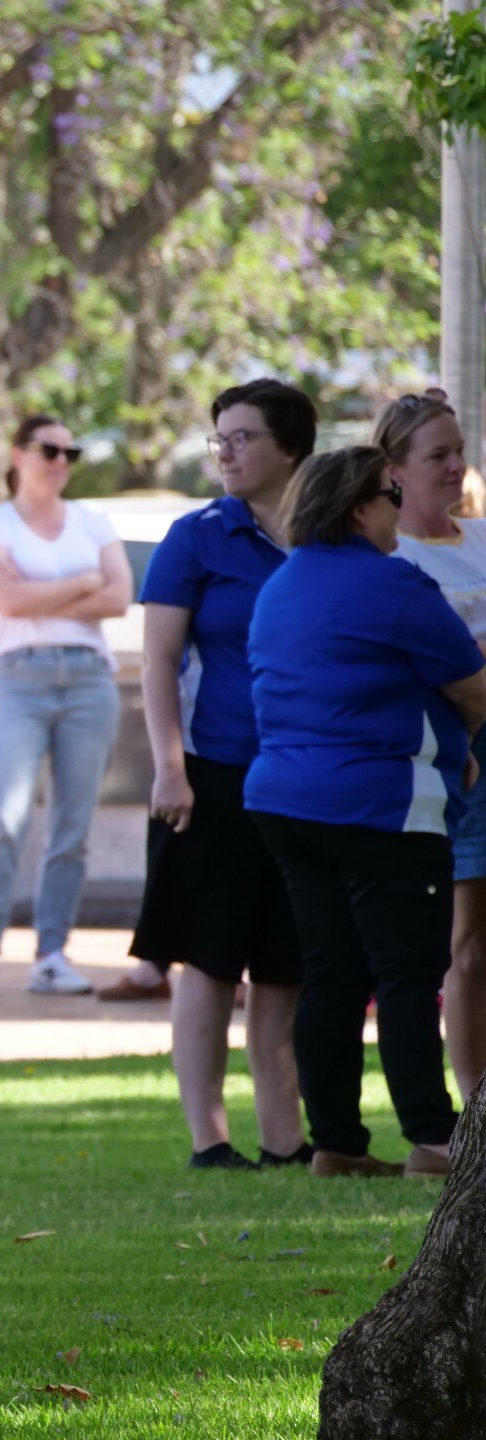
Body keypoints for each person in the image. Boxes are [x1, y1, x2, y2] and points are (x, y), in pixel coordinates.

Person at [247, 445, 486, 1179]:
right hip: (382, 804)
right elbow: (473, 687)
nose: (398, 510)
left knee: (332, 973)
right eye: (391, 496)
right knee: (407, 972)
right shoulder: (395, 583)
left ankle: (337, 1143)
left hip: (285, 803)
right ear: (359, 510)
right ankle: (434, 1138)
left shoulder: (281, 583)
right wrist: (461, 742)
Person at [130, 380, 313, 1169]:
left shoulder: (329, 536)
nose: (226, 454)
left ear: (291, 449)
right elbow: (158, 661)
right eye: (221, 439)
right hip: (212, 773)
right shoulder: (197, 536)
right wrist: (170, 769)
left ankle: (285, 1139)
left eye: (243, 438)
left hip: (306, 777)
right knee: (207, 958)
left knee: (285, 963)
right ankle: (210, 1139)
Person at [0, 415, 132, 998]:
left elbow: (119, 596)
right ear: (18, 454)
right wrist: (82, 583)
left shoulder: (93, 523)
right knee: (4, 816)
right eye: (49, 450)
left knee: (72, 826)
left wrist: (39, 594)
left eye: (71, 452)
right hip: (17, 679)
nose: (61, 462)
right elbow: (7, 600)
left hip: (88, 679)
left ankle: (52, 955)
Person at [383, 390, 486, 1107]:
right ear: (393, 469)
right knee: (467, 943)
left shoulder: (479, 540)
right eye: (436, 455)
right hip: (456, 760)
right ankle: (473, 1106)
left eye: (459, 452)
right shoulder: (392, 557)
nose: (455, 467)